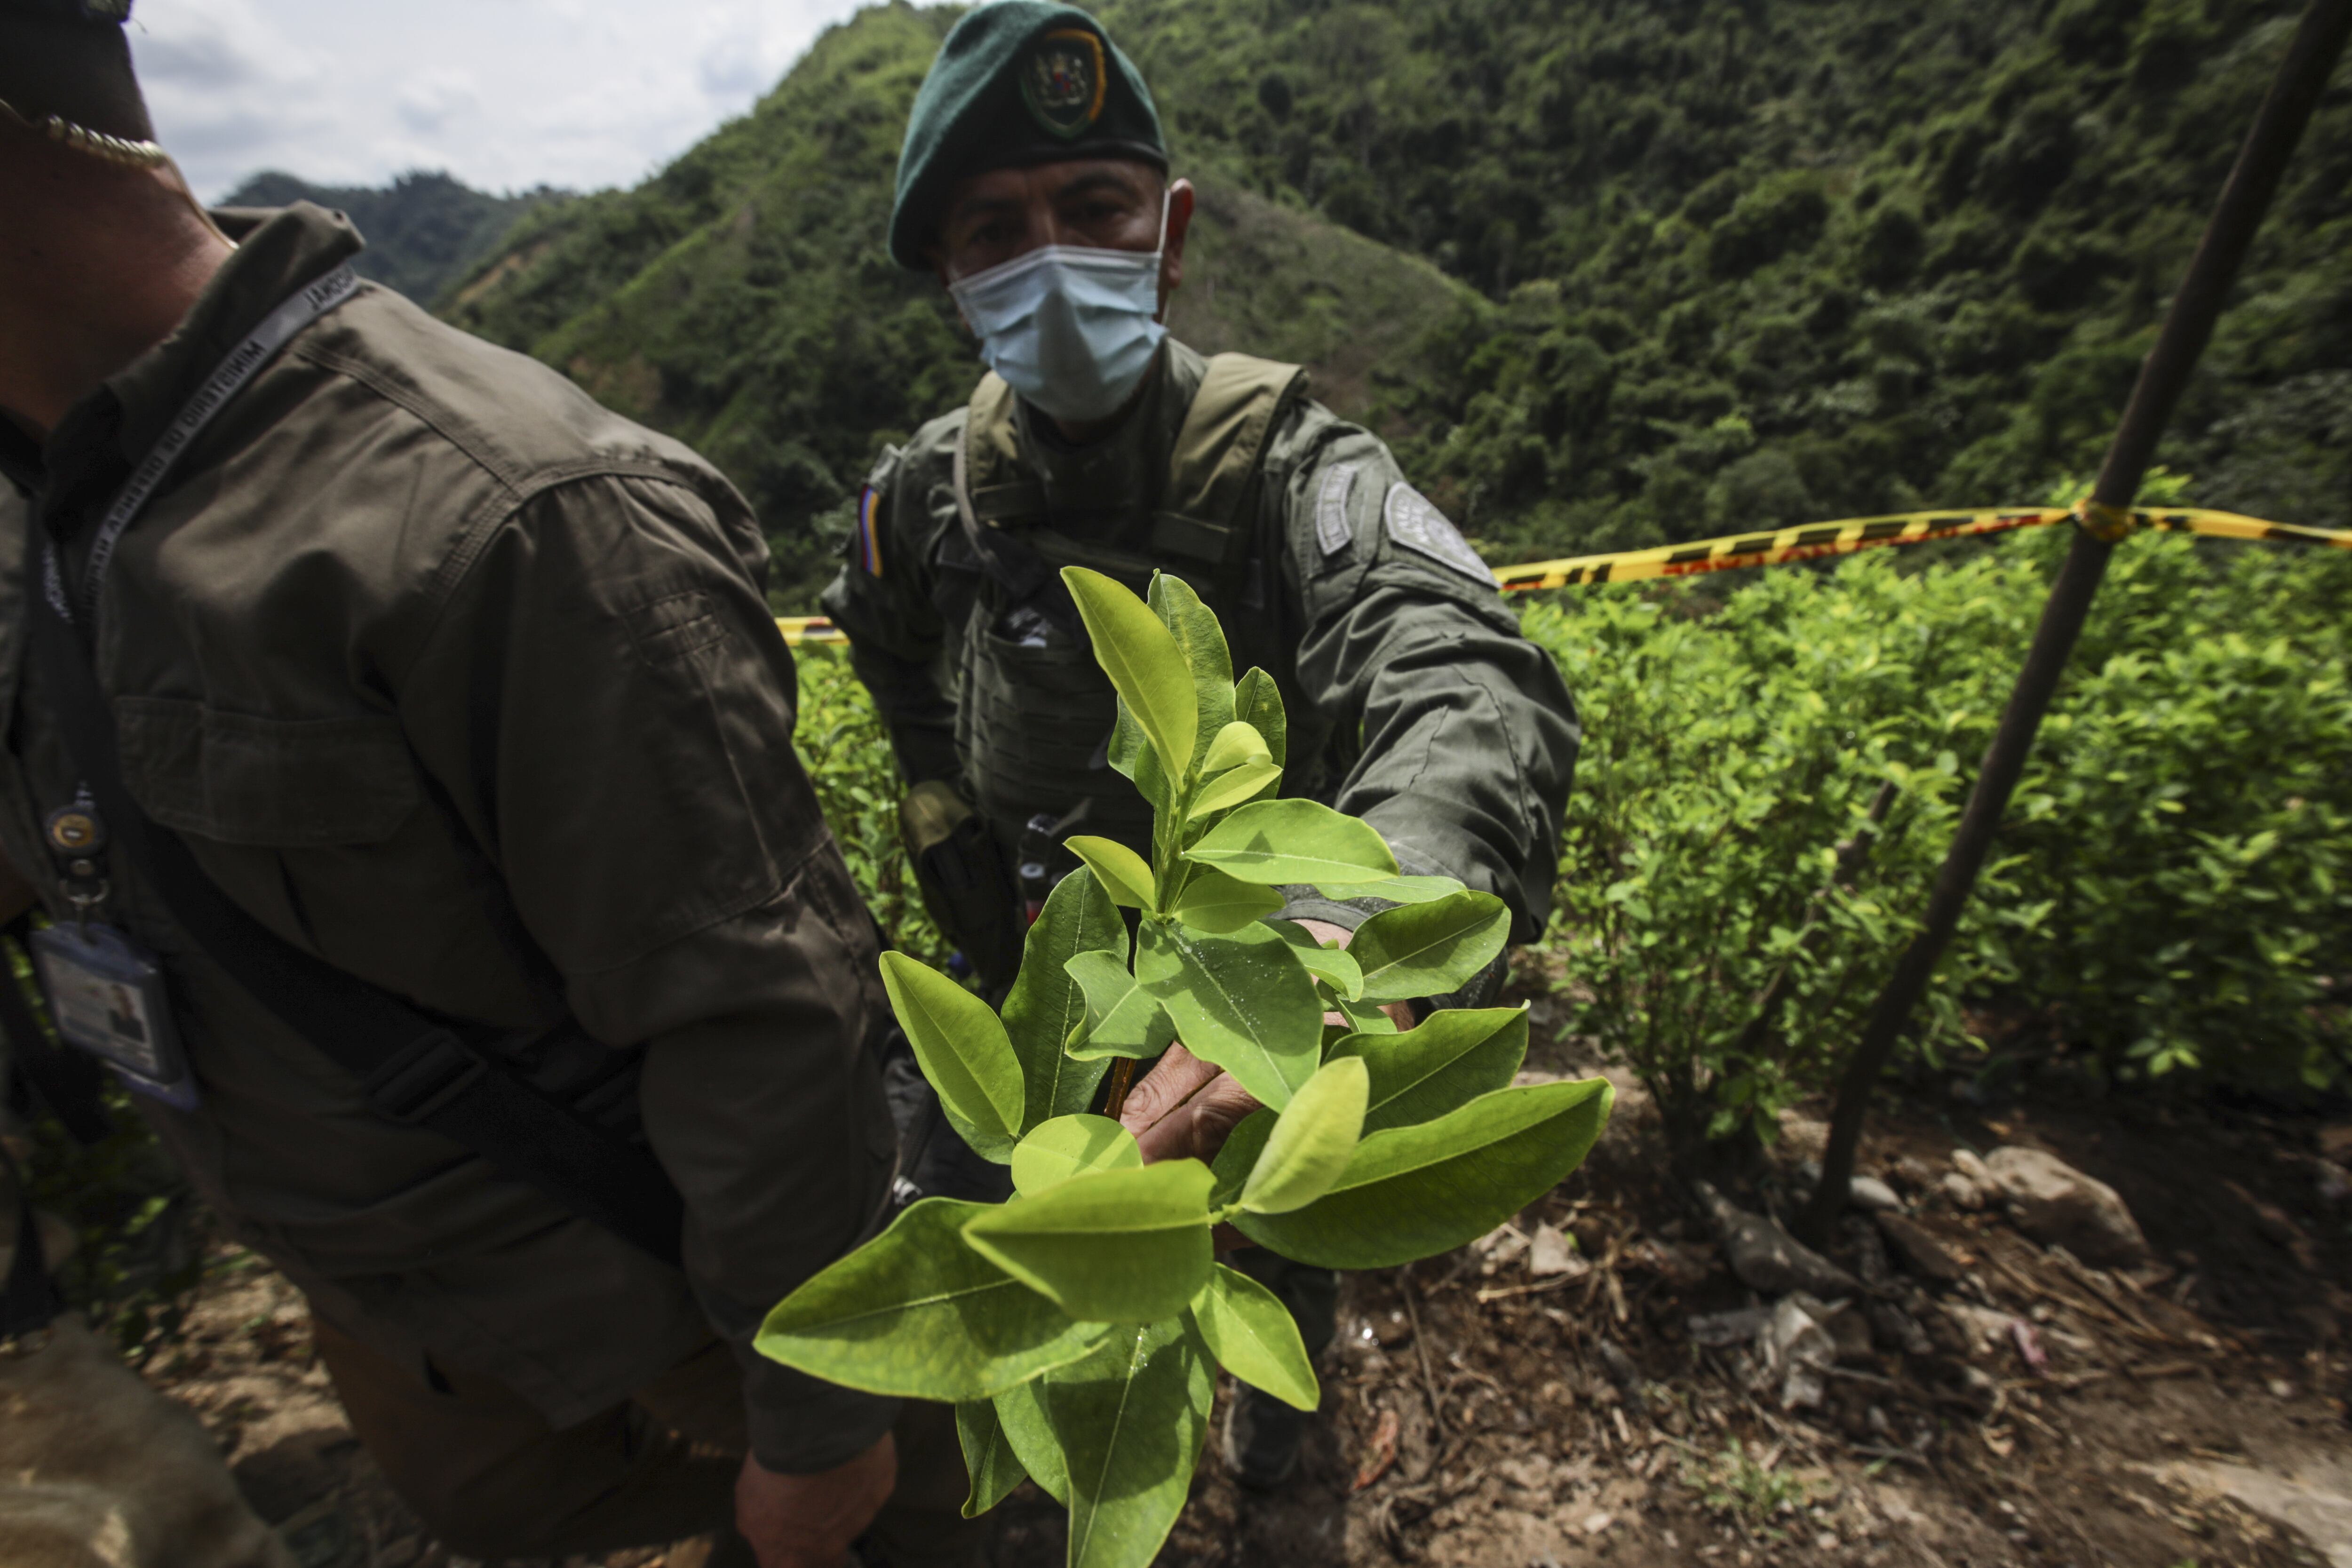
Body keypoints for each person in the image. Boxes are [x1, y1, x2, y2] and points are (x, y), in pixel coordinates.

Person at [0, 5, 961, 1564]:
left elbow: (764, 1025)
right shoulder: (47, 503)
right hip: (391, 1295)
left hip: (650, 1294)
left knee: (893, 1528)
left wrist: (818, 1424)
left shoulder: (511, 518)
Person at [824, 0, 1581, 1489]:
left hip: (1242, 1005)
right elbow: (872, 627)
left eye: (1091, 210)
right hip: (1032, 986)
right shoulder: (934, 493)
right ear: (948, 277)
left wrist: (1339, 938)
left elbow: (1464, 676)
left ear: (1164, 235)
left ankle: (1295, 1462)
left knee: (1278, 1253)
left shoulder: (1286, 466)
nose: (1049, 257)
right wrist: (935, 797)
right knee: (1048, 1293)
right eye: (995, 231)